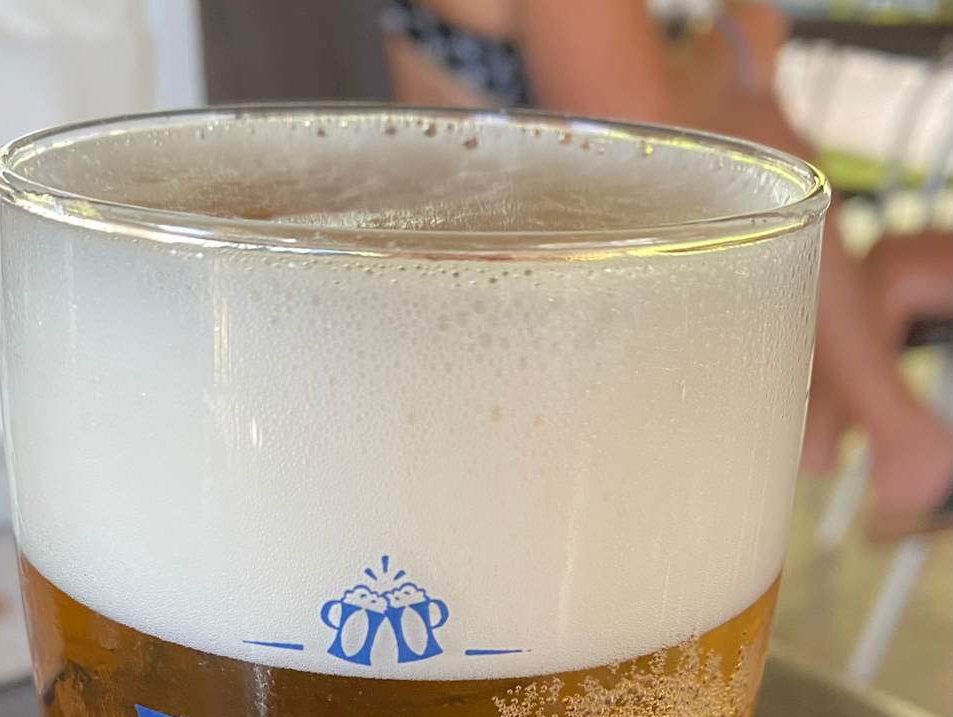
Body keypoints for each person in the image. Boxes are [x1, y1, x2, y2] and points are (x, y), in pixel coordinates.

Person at [382, 0, 953, 530]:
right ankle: (860, 425)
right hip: (512, 317)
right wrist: (737, 39)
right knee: (756, 131)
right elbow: (634, 145)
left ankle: (865, 425)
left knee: (759, 133)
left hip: (478, 295)